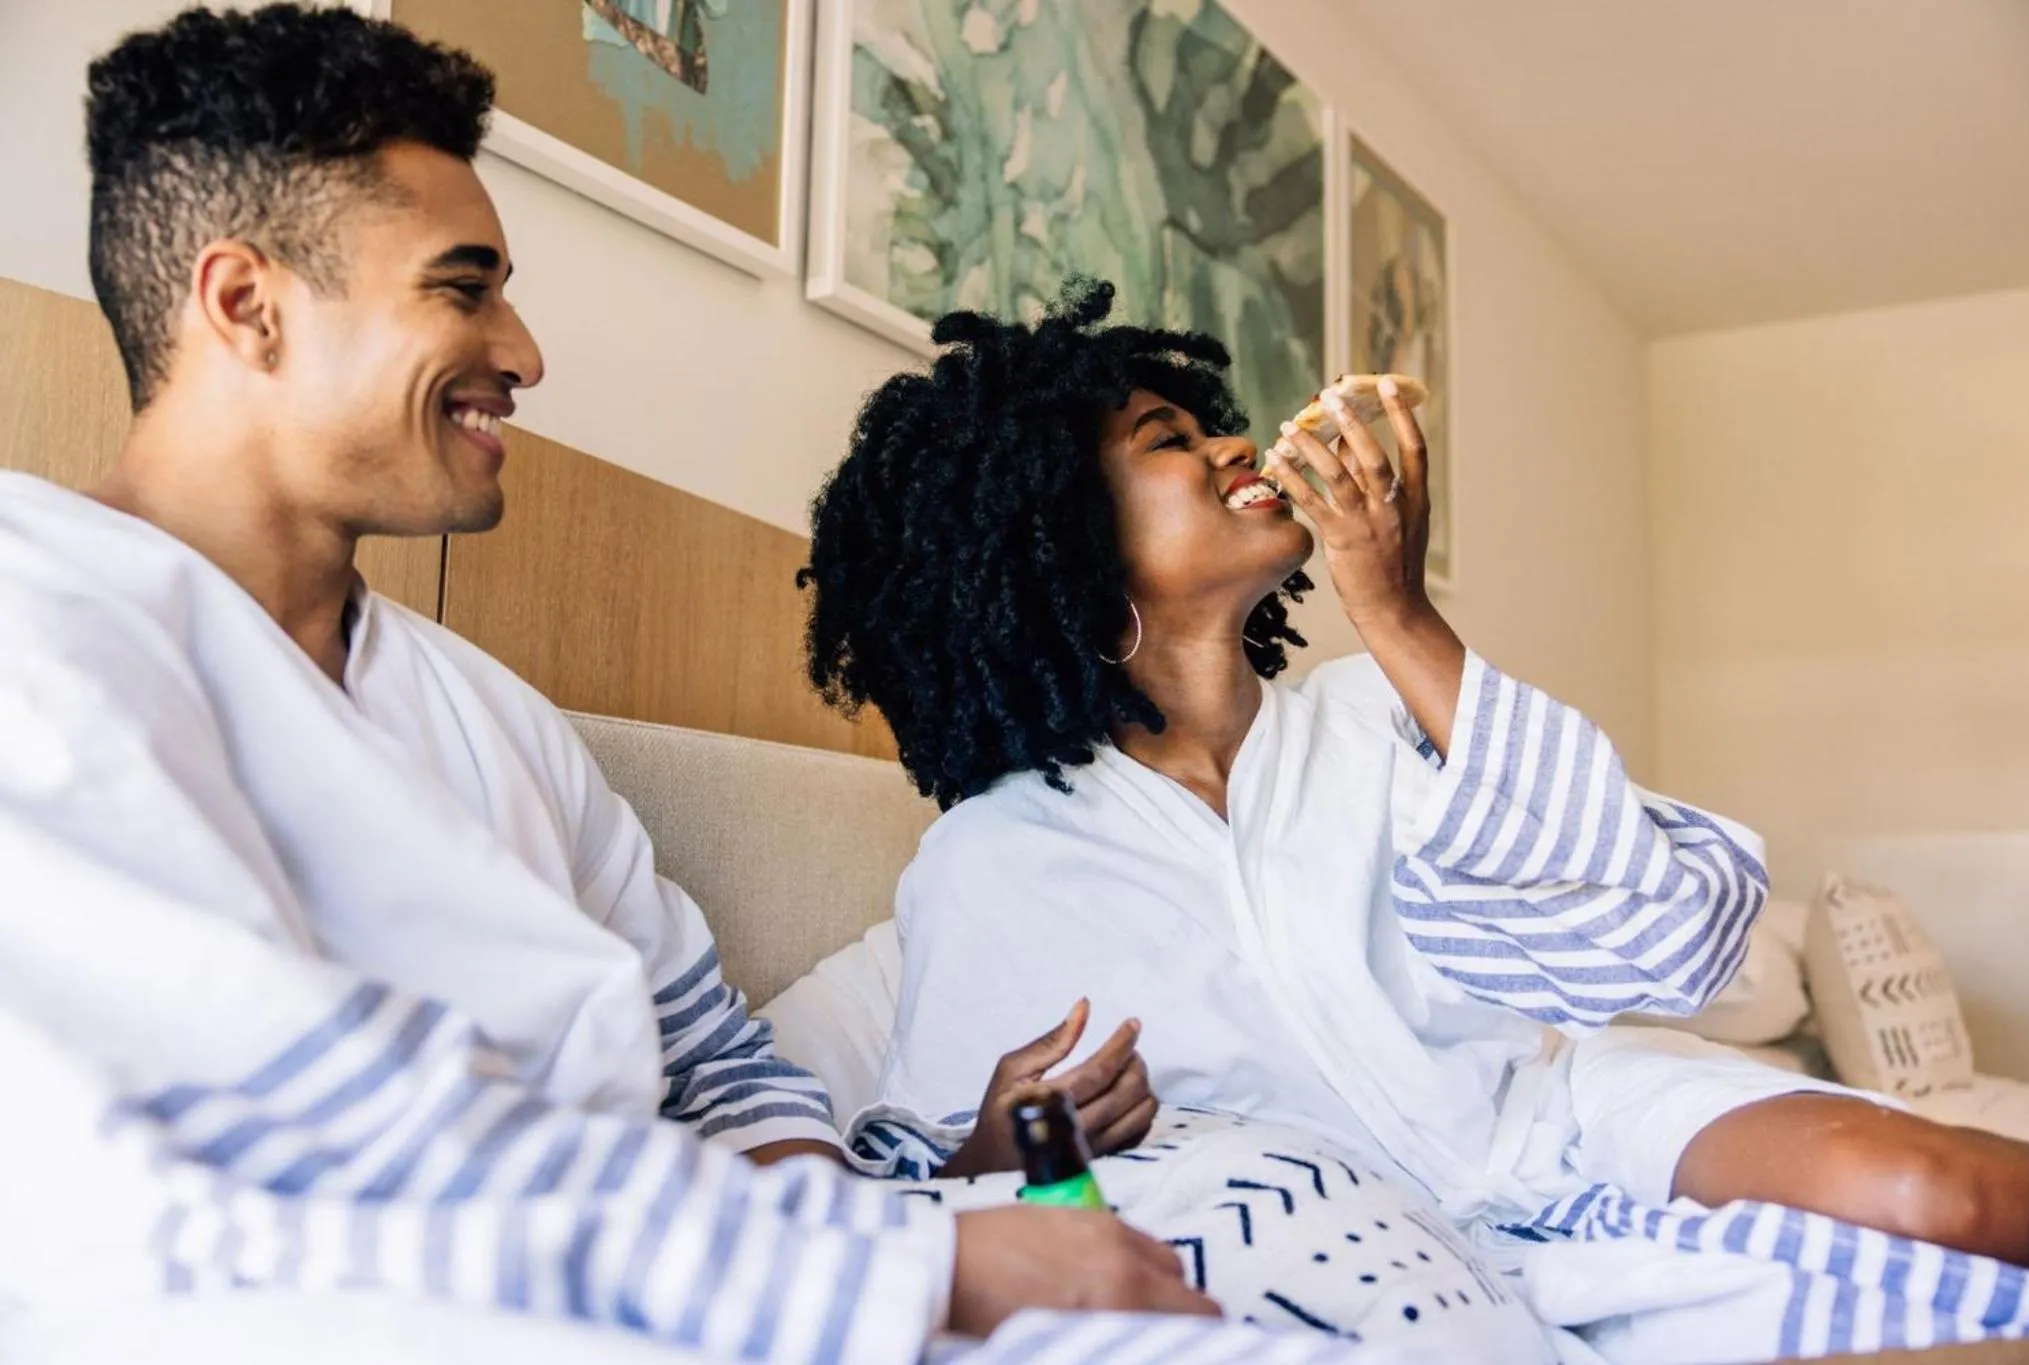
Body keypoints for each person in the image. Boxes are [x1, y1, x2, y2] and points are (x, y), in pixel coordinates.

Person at [0, 9, 1378, 1363]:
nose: (524, 354)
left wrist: (890, 1236)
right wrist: (912, 1264)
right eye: (463, 288)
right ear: (247, 306)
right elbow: (280, 1134)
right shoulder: (41, 622)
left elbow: (719, 1066)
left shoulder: (493, 720)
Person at [797, 281, 2029, 1343]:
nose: (1232, 447)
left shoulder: (1373, 711)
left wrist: (1397, 612)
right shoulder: (996, 854)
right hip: (1334, 1242)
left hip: (1559, 1123)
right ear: (1059, 537)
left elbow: (1677, 940)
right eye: (1168, 438)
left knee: (1947, 1201)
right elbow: (935, 1191)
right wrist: (994, 1148)